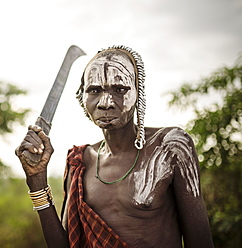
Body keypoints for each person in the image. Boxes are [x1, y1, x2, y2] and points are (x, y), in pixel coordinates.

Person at [15, 45, 214, 248]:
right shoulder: (80, 161)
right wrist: (37, 181)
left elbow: (201, 242)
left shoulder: (170, 147)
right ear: (82, 98)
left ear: (138, 93)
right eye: (94, 90)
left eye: (120, 89)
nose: (106, 102)